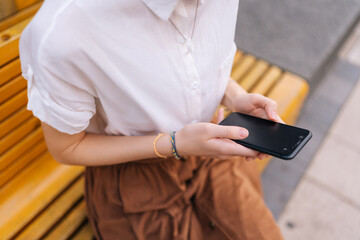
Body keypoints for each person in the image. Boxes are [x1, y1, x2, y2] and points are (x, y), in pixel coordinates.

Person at [19, 0, 284, 239]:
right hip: (135, 178)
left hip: (215, 150)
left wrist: (235, 97)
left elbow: (189, 58)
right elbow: (66, 147)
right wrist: (175, 143)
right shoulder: (67, 30)